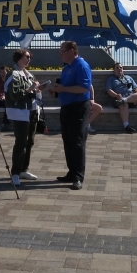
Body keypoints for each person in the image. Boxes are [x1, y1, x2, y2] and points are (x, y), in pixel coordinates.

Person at [47, 41, 91, 190]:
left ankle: (78, 177)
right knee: (68, 141)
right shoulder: (67, 68)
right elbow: (66, 88)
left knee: (77, 142)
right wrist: (57, 90)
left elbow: (84, 88)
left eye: (62, 52)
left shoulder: (81, 66)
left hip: (78, 108)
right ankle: (72, 172)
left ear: (72, 51)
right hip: (66, 107)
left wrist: (64, 89)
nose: (61, 55)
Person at [4, 50, 42, 185]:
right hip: (20, 112)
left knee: (29, 142)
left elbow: (29, 90)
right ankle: (15, 173)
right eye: (26, 57)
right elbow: (14, 94)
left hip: (31, 111)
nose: (28, 59)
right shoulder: (13, 74)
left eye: (29, 57)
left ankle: (23, 169)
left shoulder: (28, 74)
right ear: (18, 58)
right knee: (21, 142)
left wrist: (37, 89)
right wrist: (31, 88)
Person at [105, 62, 137, 133]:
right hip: (118, 98)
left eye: (121, 67)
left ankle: (125, 100)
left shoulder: (129, 77)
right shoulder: (111, 79)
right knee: (123, 104)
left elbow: (136, 88)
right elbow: (109, 90)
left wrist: (136, 93)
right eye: (117, 68)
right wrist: (116, 95)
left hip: (131, 98)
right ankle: (126, 126)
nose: (119, 69)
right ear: (114, 70)